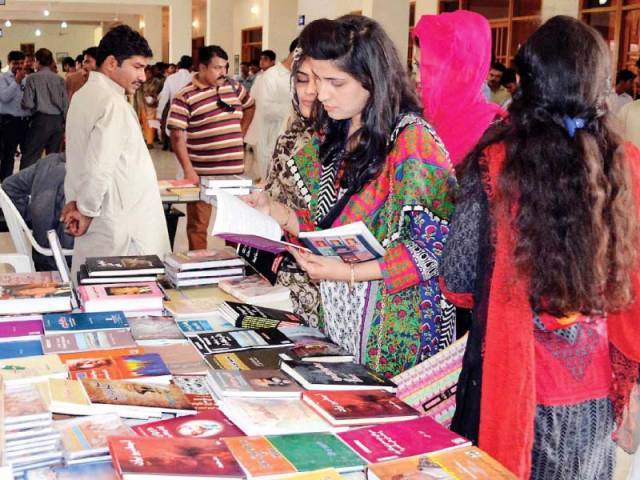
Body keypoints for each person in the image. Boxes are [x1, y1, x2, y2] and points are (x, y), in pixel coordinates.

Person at [441, 16, 640, 480]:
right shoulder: (627, 164)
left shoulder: (495, 165)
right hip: (593, 390)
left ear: (525, 83)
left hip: (515, 385)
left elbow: (457, 279)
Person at [245, 16, 457, 377]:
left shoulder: (412, 141)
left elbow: (433, 249)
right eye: (313, 79)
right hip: (341, 321)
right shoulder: (333, 134)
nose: (320, 93)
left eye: (335, 82)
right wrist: (277, 212)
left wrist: (349, 272)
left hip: (398, 334)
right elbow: (326, 225)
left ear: (373, 79)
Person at [62, 25, 170, 277]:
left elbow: (77, 159)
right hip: (119, 223)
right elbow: (99, 167)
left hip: (99, 213)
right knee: (124, 295)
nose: (143, 77)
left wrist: (74, 201)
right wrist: (86, 210)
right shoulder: (112, 103)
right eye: (137, 66)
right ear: (111, 63)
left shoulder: (85, 94)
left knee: (96, 292)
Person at [167, 45, 255, 250]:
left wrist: (241, 133)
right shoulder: (185, 95)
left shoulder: (233, 87)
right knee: (198, 226)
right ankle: (199, 269)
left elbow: (250, 105)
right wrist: (189, 170)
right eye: (217, 68)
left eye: (224, 67)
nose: (223, 73)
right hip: (203, 173)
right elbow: (177, 135)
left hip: (234, 174)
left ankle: (235, 266)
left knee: (235, 225)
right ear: (202, 67)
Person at [263, 49, 322, 327]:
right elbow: (271, 193)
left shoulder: (351, 143)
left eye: (320, 80)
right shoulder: (289, 136)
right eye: (300, 80)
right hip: (280, 274)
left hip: (326, 285)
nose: (309, 91)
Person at [412, 11, 502, 166]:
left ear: (466, 73)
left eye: (431, 70)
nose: (419, 78)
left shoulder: (493, 136)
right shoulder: (420, 120)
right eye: (417, 66)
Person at [2, 153, 73, 271]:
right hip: (71, 259)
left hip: (42, 253)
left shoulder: (48, 162)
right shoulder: (91, 175)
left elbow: (9, 187)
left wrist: (32, 218)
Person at [251, 38, 298, 179]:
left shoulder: (301, 76)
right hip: (272, 140)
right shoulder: (271, 76)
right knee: (271, 185)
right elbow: (266, 109)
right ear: (296, 53)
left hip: (296, 143)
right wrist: (296, 109)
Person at [20, 48, 68, 170]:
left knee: (30, 157)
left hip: (41, 120)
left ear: (37, 61)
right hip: (57, 122)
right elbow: (65, 105)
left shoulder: (32, 78)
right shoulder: (60, 79)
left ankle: (25, 187)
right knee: (53, 159)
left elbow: (28, 103)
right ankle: (48, 186)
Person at [0, 51, 31, 180]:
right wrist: (16, 82)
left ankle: (22, 182)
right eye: (15, 63)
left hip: (25, 121)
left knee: (27, 154)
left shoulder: (27, 78)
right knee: (9, 155)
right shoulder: (2, 78)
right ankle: (5, 183)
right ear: (8, 63)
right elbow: (4, 97)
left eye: (21, 63)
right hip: (9, 122)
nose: (18, 66)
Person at [156, 54, 193, 142]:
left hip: (174, 113)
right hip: (191, 114)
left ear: (179, 65)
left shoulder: (170, 78)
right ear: (192, 66)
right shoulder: (193, 78)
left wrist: (159, 114)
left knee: (177, 142)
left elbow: (164, 97)